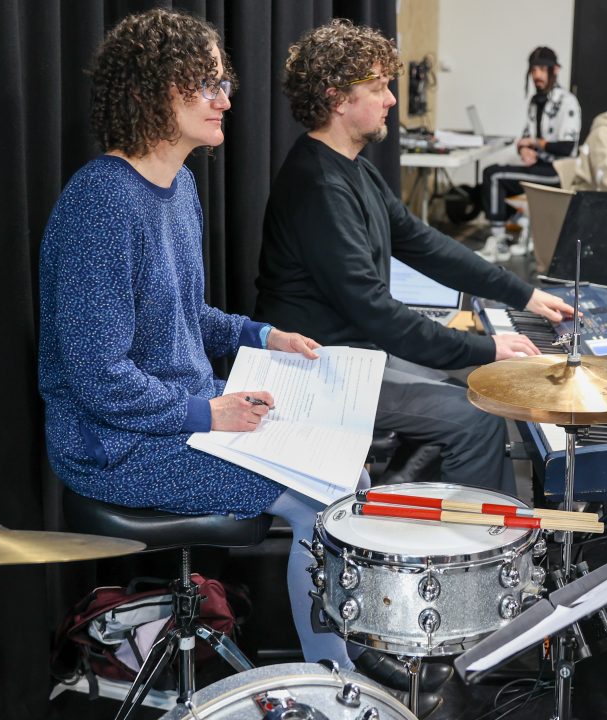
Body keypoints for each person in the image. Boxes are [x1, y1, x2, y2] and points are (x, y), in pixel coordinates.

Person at [37, 8, 368, 679]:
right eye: (204, 84)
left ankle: (340, 668)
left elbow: (185, 315)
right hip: (116, 446)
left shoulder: (179, 185)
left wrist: (261, 334)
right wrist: (205, 413)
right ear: (149, 92)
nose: (225, 98)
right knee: (326, 498)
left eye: (224, 82)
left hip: (182, 421)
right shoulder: (99, 205)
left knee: (347, 471)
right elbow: (100, 377)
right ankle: (336, 683)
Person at [257, 20, 574, 500]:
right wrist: (486, 347)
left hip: (351, 358)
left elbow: (423, 243)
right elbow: (375, 312)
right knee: (476, 416)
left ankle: (403, 505)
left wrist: (523, 293)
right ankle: (483, 555)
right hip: (321, 374)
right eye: (378, 87)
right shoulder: (319, 185)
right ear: (338, 99)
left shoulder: (352, 168)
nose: (390, 100)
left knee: (473, 377)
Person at [476, 46, 581, 262]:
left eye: (542, 69)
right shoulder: (535, 102)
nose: (537, 75)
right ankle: (515, 229)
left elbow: (567, 147)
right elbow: (525, 136)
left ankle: (499, 238)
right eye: (534, 70)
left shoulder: (567, 102)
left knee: (494, 175)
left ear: (555, 70)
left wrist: (535, 144)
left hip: (557, 171)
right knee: (494, 171)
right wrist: (524, 149)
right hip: (538, 166)